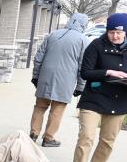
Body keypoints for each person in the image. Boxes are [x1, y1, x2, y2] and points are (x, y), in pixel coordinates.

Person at [71, 12, 127, 162]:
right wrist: (108, 72)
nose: (115, 36)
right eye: (112, 32)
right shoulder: (96, 45)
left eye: (119, 33)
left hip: (118, 100)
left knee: (108, 139)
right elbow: (85, 72)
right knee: (86, 136)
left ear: (126, 31)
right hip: (94, 98)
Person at [31, 12, 91, 146]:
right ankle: (48, 138)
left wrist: (35, 76)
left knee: (40, 106)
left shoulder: (52, 35)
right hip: (65, 81)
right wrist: (80, 86)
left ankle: (33, 134)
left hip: (45, 76)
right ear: (84, 25)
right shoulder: (84, 40)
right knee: (57, 110)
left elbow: (38, 57)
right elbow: (83, 66)